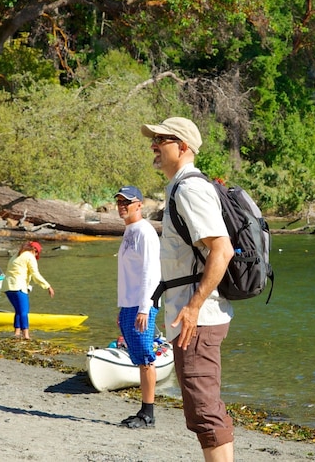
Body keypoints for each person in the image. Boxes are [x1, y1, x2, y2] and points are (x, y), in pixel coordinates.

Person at [140, 117, 235, 460]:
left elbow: (221, 250)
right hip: (193, 317)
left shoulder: (190, 189)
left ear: (182, 148)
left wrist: (194, 306)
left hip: (199, 319)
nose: (154, 145)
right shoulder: (180, 187)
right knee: (203, 409)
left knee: (205, 412)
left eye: (162, 139)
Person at [114, 185, 162, 429]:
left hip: (143, 304)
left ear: (139, 205)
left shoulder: (144, 231)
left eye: (127, 202)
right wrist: (122, 309)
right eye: (120, 202)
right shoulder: (129, 232)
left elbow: (150, 273)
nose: (122, 206)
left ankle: (148, 413)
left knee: (146, 358)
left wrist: (145, 307)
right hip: (130, 304)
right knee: (139, 358)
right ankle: (144, 410)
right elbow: (128, 275)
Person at [2, 241, 54, 339]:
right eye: (37, 253)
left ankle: (17, 333)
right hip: (18, 286)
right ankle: (26, 335)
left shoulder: (17, 254)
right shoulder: (30, 256)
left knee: (18, 310)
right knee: (24, 311)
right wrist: (48, 286)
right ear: (34, 250)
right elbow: (35, 274)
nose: (37, 255)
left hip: (7, 286)